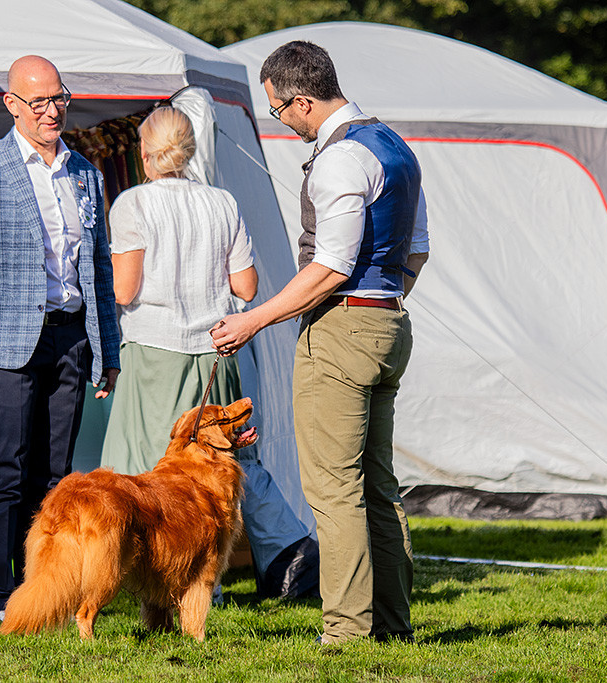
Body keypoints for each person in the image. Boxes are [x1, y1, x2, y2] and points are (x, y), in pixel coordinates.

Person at [210, 41, 430, 644]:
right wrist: (383, 302)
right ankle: (391, 625)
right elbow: (416, 251)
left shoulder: (340, 159)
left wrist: (252, 321)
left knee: (334, 489)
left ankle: (346, 631)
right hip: (389, 322)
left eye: (279, 110)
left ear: (302, 100)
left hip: (342, 329)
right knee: (377, 487)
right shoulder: (396, 147)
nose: (282, 121)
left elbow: (331, 268)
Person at [0, 55, 121, 623]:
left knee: (56, 477)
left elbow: (100, 268)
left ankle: (45, 589)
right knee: (5, 472)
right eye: (38, 101)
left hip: (70, 339)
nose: (51, 110)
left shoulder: (85, 173)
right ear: (12, 105)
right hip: (1, 345)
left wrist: (107, 348)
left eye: (58, 98)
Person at [101, 106, 257, 475]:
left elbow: (124, 291)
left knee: (144, 475)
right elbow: (246, 287)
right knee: (211, 473)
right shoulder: (223, 202)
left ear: (144, 151)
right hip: (215, 352)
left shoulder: (133, 203)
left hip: (154, 352)